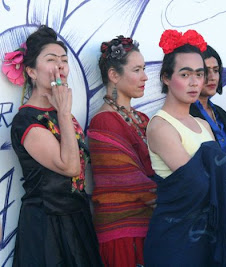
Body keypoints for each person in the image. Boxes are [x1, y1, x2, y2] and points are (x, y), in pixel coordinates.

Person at [8, 25, 102, 266]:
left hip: (76, 217)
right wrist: (63, 112)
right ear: (31, 71)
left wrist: (62, 112)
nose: (60, 66)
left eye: (64, 60)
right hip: (46, 225)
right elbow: (69, 166)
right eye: (51, 60)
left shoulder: (61, 112)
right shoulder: (26, 119)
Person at [143, 29, 226, 266]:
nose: (195, 82)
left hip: (210, 236)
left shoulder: (203, 124)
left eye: (199, 74)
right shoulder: (161, 126)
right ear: (166, 77)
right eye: (185, 74)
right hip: (176, 240)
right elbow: (198, 184)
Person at [87, 36, 156, 267]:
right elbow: (131, 181)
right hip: (123, 233)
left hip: (150, 228)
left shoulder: (143, 119)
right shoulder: (104, 122)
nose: (145, 77)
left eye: (144, 69)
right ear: (114, 76)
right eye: (137, 70)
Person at [189, 45, 226, 153]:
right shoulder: (184, 112)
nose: (212, 77)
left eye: (216, 70)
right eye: (204, 71)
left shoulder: (220, 112)